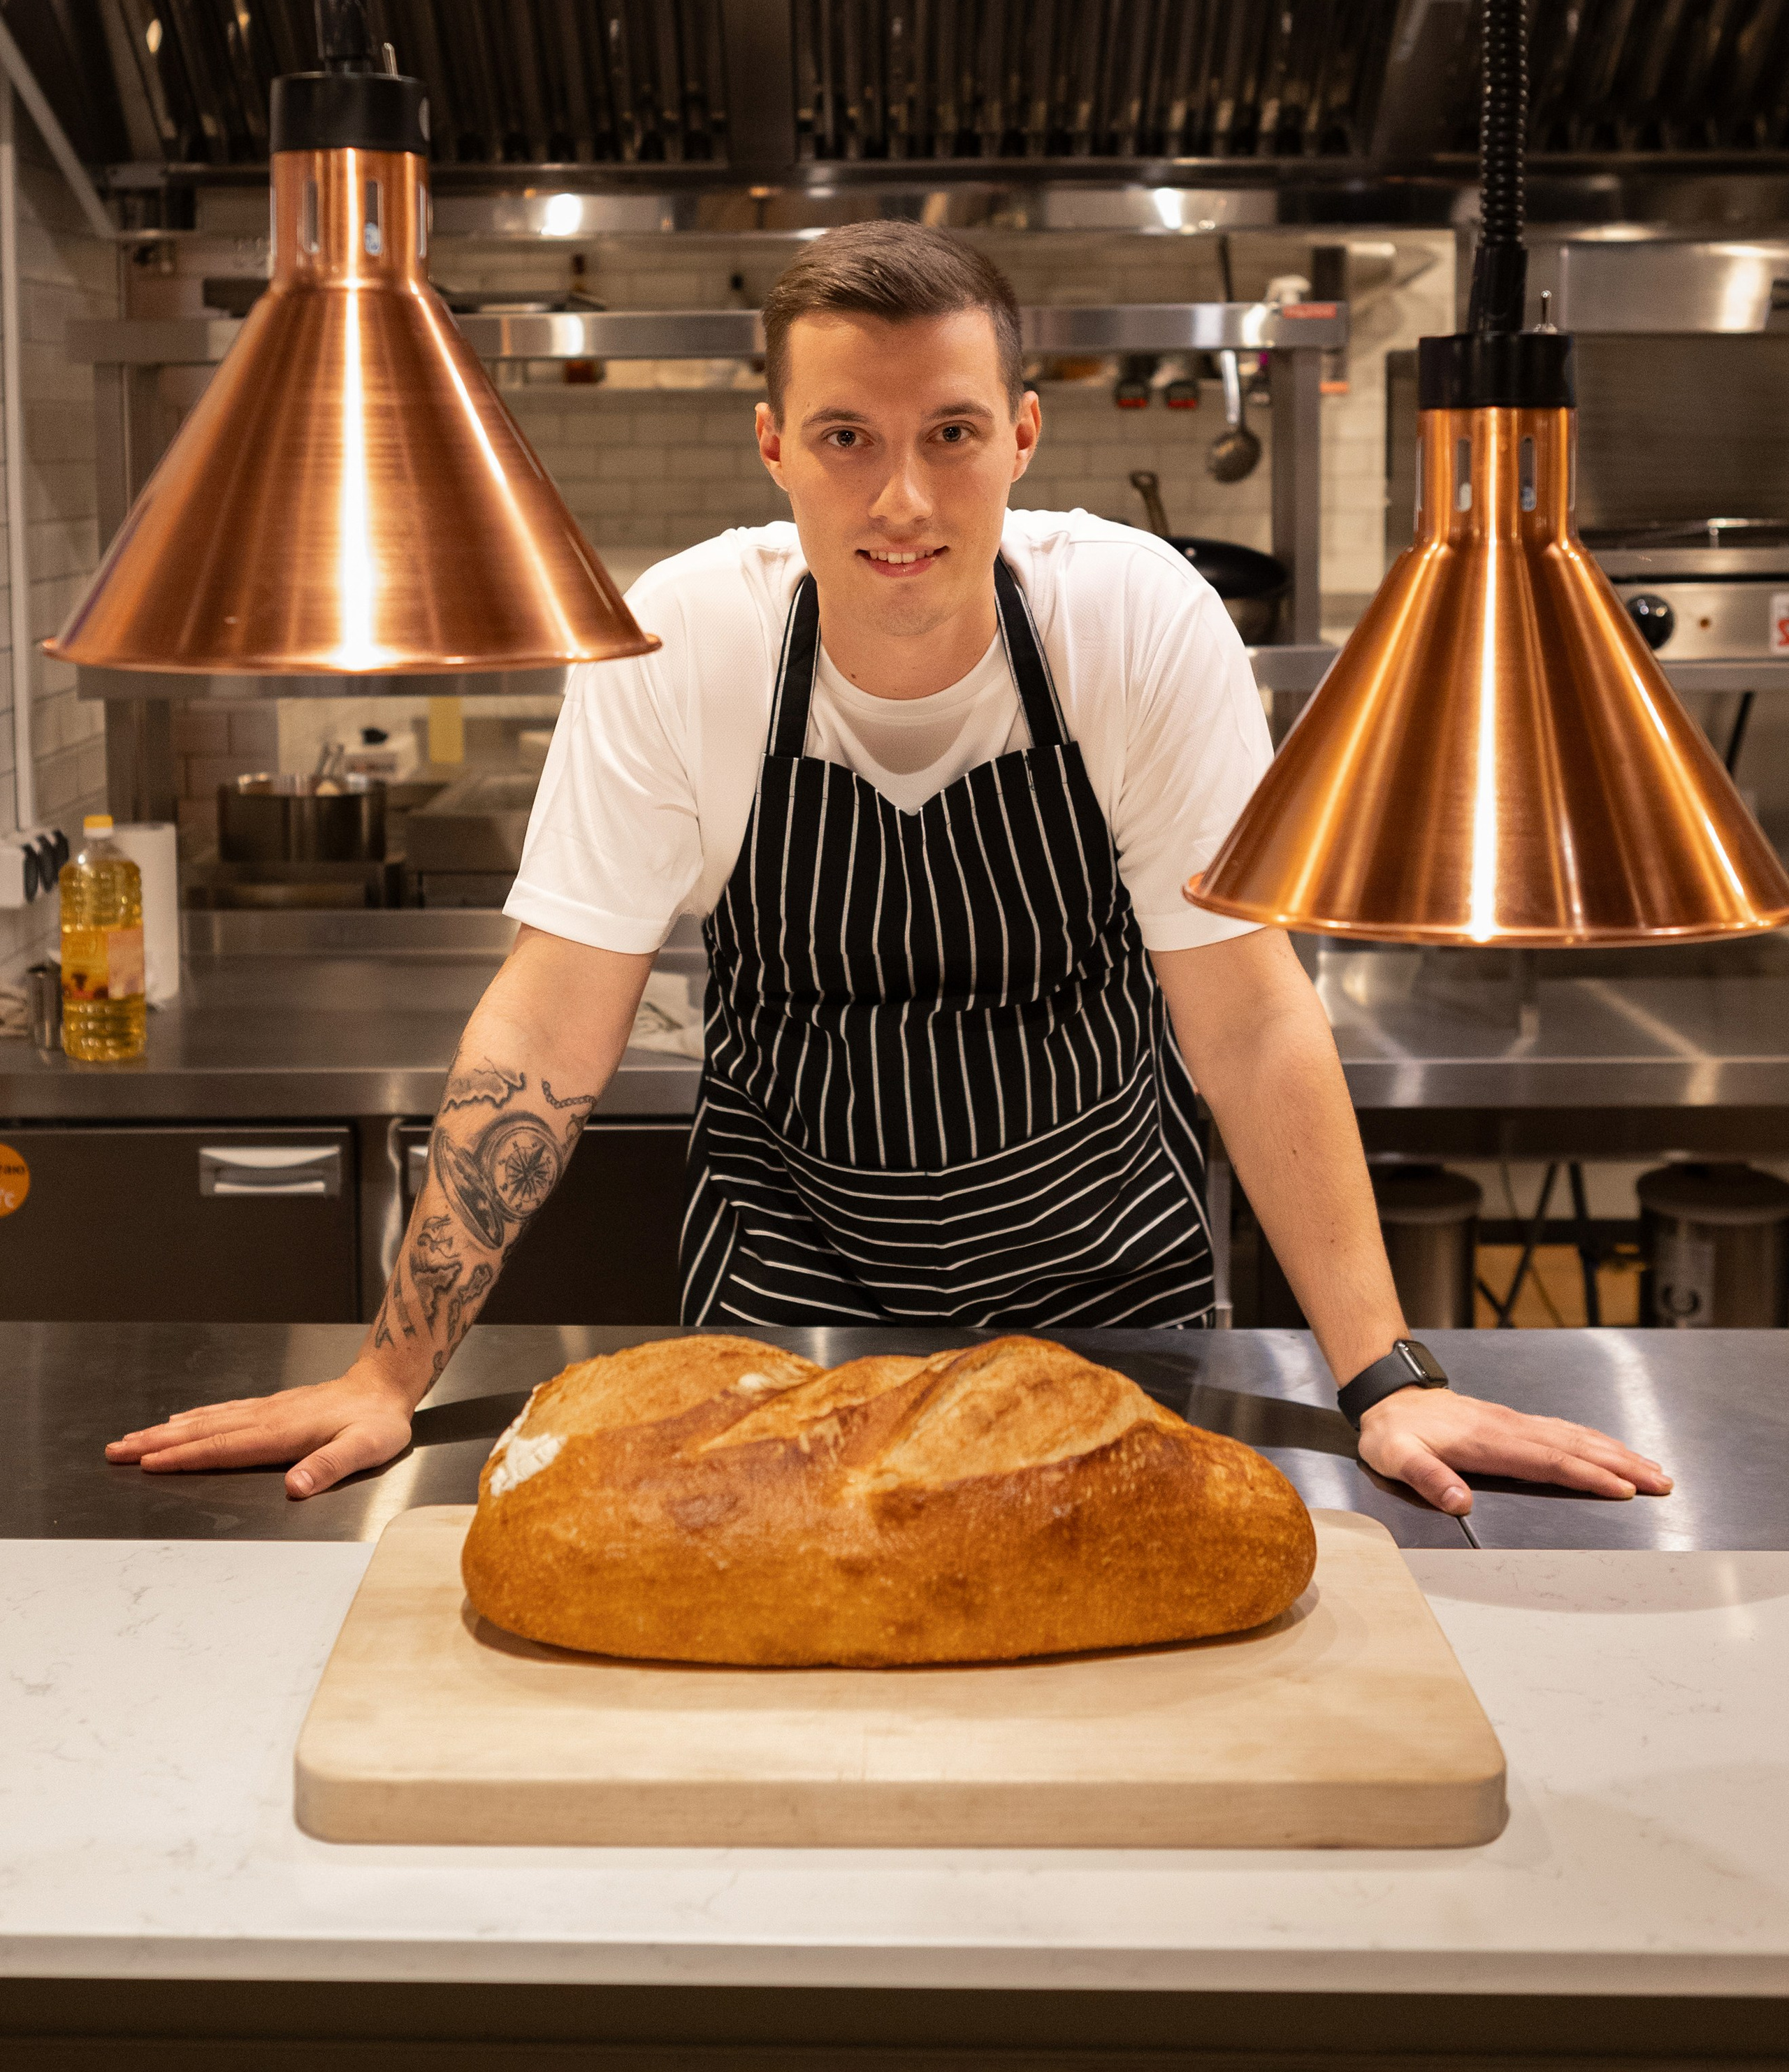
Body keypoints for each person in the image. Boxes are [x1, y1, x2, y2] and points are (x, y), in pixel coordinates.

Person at [108, 227, 1669, 1518]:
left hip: (1109, 1289)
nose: (903, 499)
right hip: (784, 1297)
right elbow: (546, 1025)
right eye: (847, 438)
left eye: (950, 434)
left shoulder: (1132, 624)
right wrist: (391, 1373)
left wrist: (1381, 1378)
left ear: (1021, 436)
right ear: (774, 445)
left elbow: (1246, 1019)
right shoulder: (681, 639)